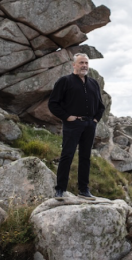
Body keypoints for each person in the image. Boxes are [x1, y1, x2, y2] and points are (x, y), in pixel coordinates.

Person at [48, 53, 105, 200]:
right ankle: (60, 189)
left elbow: (100, 106)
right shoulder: (64, 81)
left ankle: (84, 190)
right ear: (74, 65)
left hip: (89, 125)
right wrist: (68, 117)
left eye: (86, 63)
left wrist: (95, 120)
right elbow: (53, 103)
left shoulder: (93, 83)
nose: (84, 65)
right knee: (67, 155)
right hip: (73, 124)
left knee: (85, 157)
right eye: (81, 63)